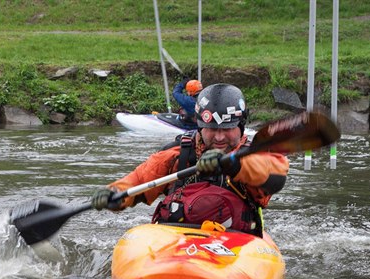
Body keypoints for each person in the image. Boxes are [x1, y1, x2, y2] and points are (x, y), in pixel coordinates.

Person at [91, 83, 289, 236]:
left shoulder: (255, 156)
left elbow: (274, 176)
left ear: (241, 125)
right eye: (212, 130)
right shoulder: (177, 154)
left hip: (236, 243)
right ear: (200, 126)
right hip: (177, 239)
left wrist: (233, 165)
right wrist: (115, 193)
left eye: (227, 129)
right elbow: (138, 181)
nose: (219, 138)